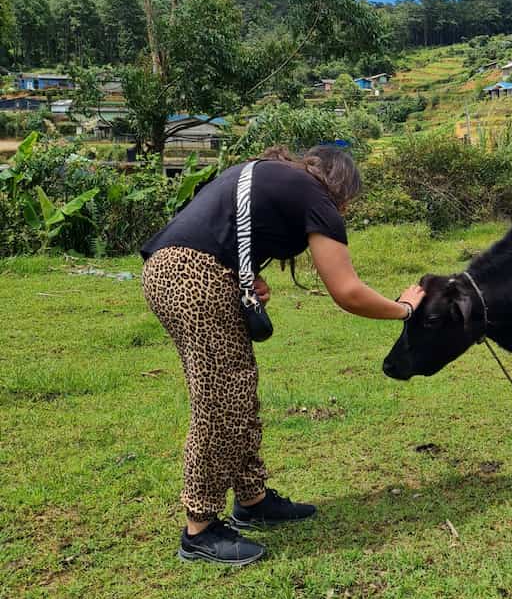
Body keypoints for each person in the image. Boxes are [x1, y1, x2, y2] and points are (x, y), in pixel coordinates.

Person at [140, 145, 424, 567]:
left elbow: (219, 228)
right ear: (341, 185)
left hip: (178, 269)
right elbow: (346, 291)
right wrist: (405, 308)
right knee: (221, 403)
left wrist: (244, 277)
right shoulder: (316, 197)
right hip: (193, 276)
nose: (345, 208)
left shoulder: (274, 177)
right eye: (349, 200)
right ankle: (199, 529)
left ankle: (253, 499)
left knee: (237, 391)